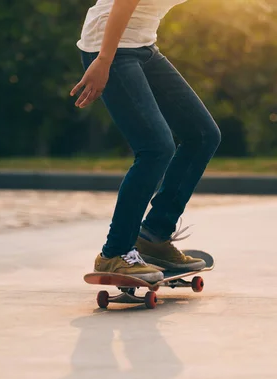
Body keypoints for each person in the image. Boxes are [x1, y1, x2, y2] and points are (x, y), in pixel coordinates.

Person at [71, 0, 221, 283]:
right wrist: (103, 60)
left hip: (143, 46)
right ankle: (114, 253)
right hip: (109, 45)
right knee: (156, 148)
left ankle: (154, 235)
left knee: (203, 135)